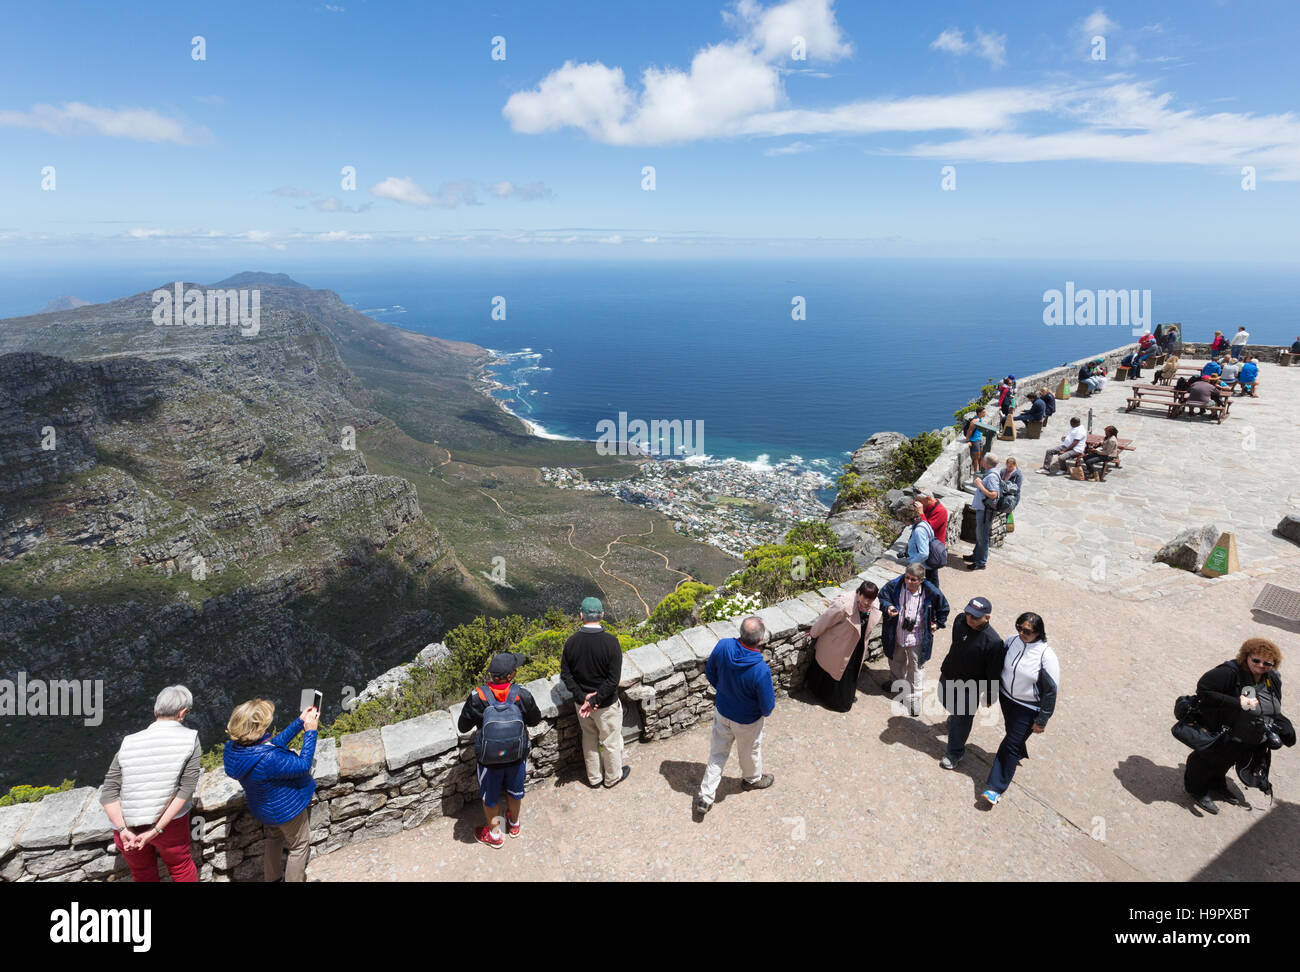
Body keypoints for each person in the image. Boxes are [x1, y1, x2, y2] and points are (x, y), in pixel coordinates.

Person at [99, 685, 202, 883]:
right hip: (170, 824)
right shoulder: (190, 740)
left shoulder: (128, 742)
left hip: (127, 824)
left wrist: (123, 831)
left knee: (142, 874)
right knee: (180, 867)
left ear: (155, 711)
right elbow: (186, 790)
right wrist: (156, 830)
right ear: (183, 713)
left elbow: (108, 794)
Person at [1184, 639, 1293, 814]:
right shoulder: (1229, 672)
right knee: (1206, 760)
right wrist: (1237, 702)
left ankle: (1216, 783)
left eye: (1267, 663)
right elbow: (1204, 690)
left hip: (1250, 735)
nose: (1260, 665)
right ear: (1246, 656)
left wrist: (1282, 723)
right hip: (1225, 729)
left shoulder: (1271, 678)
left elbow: (1272, 704)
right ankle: (1197, 790)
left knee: (1227, 760)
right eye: (1256, 660)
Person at [224, 698, 319, 881]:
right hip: (286, 810)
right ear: (257, 729)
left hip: (263, 809)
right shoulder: (269, 758)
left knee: (274, 839)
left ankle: (272, 878)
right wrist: (310, 732)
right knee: (299, 847)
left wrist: (299, 722)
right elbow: (303, 765)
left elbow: (273, 743)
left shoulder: (234, 750)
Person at [457, 652, 543, 847]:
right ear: (510, 676)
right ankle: (513, 824)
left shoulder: (478, 697)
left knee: (491, 797)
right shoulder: (522, 695)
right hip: (516, 755)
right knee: (515, 791)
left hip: (489, 760)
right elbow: (535, 720)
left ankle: (495, 835)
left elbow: (463, 727)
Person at [695, 617, 775, 815]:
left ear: (741, 632)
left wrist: (722, 690)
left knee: (717, 753)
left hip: (723, 711)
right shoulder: (760, 670)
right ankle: (752, 780)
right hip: (747, 720)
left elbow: (710, 671)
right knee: (749, 752)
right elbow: (767, 706)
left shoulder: (723, 646)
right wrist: (758, 713)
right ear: (761, 639)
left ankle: (706, 797)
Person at [982, 612, 1059, 806]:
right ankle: (1017, 752)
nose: (1022, 633)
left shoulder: (1046, 655)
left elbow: (1051, 691)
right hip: (1007, 699)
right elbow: (998, 667)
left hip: (1028, 707)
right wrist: (991, 693)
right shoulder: (1011, 641)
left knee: (1010, 744)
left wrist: (1042, 719)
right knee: (1013, 735)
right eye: (1019, 627)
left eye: (1027, 631)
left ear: (1038, 633)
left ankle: (995, 788)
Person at [560, 597, 629, 789]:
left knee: (589, 738)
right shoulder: (611, 642)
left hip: (582, 706)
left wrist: (583, 698)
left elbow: (566, 675)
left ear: (581, 616)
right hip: (606, 704)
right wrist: (597, 699)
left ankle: (594, 778)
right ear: (602, 615)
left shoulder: (571, 643)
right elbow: (613, 680)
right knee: (610, 741)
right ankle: (613, 777)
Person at [937, 598, 1004, 769]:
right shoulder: (960, 620)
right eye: (968, 614)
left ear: (987, 618)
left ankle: (954, 753)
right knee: (943, 699)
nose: (969, 619)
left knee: (962, 720)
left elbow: (993, 672)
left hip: (970, 688)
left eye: (975, 617)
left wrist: (990, 695)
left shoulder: (994, 642)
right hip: (949, 674)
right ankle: (955, 717)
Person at [878, 563, 951, 716]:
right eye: (907, 578)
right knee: (895, 660)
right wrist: (888, 607)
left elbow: (944, 608)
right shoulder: (895, 585)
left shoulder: (931, 592)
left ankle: (914, 698)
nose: (909, 582)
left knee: (916, 667)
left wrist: (937, 624)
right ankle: (896, 683)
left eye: (913, 580)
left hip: (918, 637)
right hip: (897, 633)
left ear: (921, 580)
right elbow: (883, 597)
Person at [805, 582, 881, 712]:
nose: (868, 603)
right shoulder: (843, 604)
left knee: (850, 671)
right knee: (836, 669)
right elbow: (826, 620)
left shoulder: (874, 603)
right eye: (865, 598)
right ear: (859, 593)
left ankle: (844, 697)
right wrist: (813, 633)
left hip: (856, 645)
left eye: (871, 599)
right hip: (838, 645)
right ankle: (834, 700)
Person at [967, 453, 1000, 569]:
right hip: (984, 510)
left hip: (986, 512)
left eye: (983, 460)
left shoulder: (991, 477)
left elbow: (993, 495)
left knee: (983, 537)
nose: (981, 461)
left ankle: (981, 562)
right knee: (980, 534)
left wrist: (979, 485)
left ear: (986, 463)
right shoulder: (992, 473)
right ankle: (976, 556)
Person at [905, 504, 940, 587]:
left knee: (931, 588)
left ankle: (935, 600)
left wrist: (911, 563)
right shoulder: (923, 523)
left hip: (927, 565)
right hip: (932, 561)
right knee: (934, 586)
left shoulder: (918, 530)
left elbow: (924, 553)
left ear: (907, 518)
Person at [963, 405, 988, 472]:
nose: (985, 413)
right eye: (983, 412)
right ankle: (976, 472)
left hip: (979, 439)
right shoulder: (974, 421)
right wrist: (968, 440)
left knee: (981, 456)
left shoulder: (979, 419)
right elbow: (969, 431)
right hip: (974, 441)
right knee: (976, 458)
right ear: (979, 413)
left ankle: (980, 470)